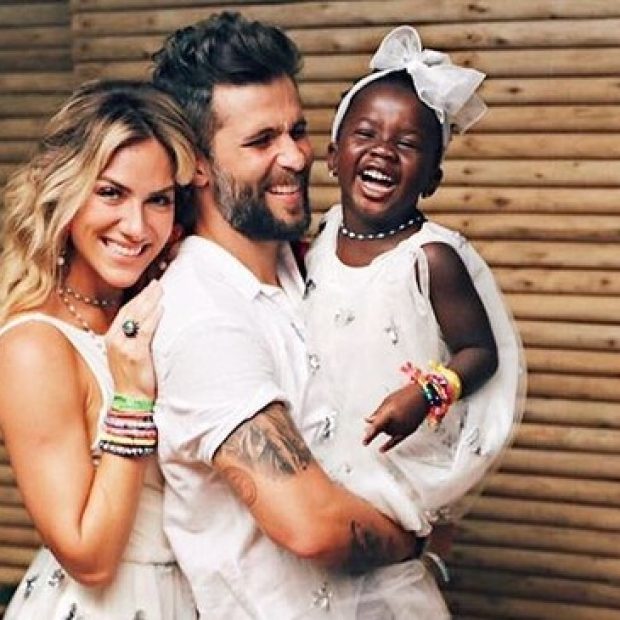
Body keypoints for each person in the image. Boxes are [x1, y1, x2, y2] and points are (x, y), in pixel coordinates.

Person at [151, 11, 449, 619]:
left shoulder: (312, 267)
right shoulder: (205, 319)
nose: (294, 156)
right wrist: (418, 539)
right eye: (261, 141)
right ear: (196, 163)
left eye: (299, 130)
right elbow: (311, 525)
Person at [303, 25, 525, 609]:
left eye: (407, 144)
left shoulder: (430, 259)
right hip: (317, 467)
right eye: (366, 134)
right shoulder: (319, 238)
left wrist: (426, 394)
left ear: (432, 177)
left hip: (388, 471)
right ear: (333, 156)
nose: (383, 151)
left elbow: (481, 352)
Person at [0, 80, 198, 619]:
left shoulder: (154, 305)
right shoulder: (34, 346)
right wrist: (131, 398)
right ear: (64, 192)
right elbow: (88, 557)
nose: (136, 227)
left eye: (158, 200)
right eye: (111, 193)